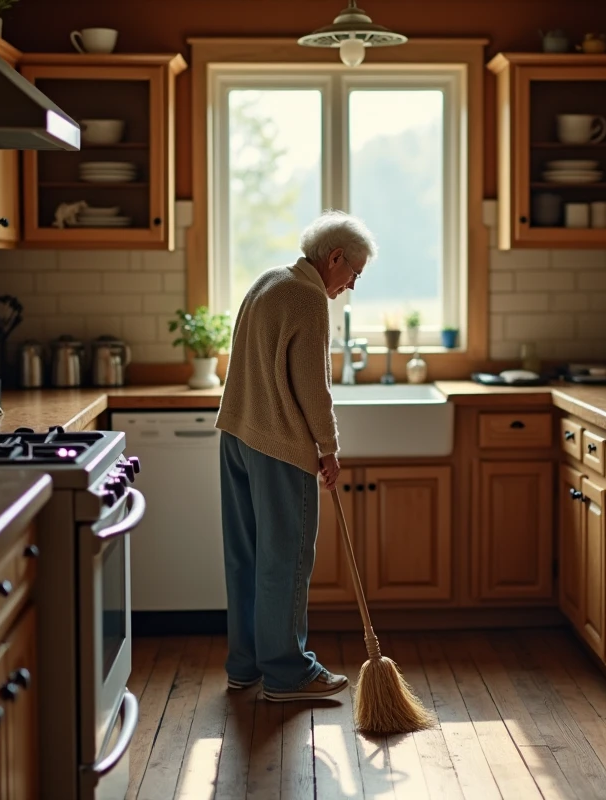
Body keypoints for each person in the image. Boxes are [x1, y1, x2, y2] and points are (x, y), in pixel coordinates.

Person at [214, 210, 376, 701]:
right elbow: (314, 389)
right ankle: (287, 673)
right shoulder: (308, 300)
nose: (350, 287)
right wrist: (329, 448)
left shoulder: (269, 281)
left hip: (236, 436)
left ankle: (245, 665)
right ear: (334, 257)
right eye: (354, 274)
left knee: (246, 558)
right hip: (281, 448)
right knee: (284, 563)